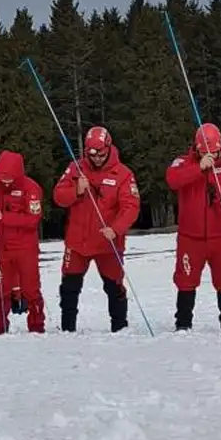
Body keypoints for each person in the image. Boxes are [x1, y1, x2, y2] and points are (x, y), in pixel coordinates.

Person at [165, 122, 221, 331]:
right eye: (205, 151)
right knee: (186, 280)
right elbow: (173, 179)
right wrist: (199, 168)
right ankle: (183, 324)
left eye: (214, 151)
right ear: (197, 147)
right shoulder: (182, 162)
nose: (211, 155)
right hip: (190, 237)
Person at [52, 125, 139, 333]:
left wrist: (116, 228)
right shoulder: (75, 169)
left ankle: (120, 328)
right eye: (92, 154)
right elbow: (58, 196)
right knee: (69, 288)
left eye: (101, 154)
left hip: (108, 242)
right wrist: (76, 190)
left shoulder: (123, 174)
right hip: (77, 242)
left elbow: (131, 206)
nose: (97, 158)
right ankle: (67, 329)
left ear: (109, 148)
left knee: (114, 287)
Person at [0, 151, 45, 335]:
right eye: (2, 177)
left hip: (25, 247)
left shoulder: (31, 188)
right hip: (2, 247)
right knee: (0, 289)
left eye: (8, 178)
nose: (5, 182)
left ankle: (37, 326)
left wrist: (5, 217)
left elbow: (33, 219)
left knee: (31, 289)